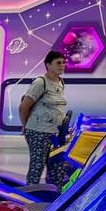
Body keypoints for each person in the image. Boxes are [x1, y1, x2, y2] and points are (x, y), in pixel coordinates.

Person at [19, 51, 69, 186]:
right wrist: (25, 126)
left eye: (63, 62)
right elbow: (24, 107)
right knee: (37, 167)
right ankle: (29, 195)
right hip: (38, 132)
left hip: (54, 134)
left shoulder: (61, 82)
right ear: (48, 65)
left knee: (56, 167)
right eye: (58, 63)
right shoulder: (40, 82)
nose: (62, 65)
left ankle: (52, 194)